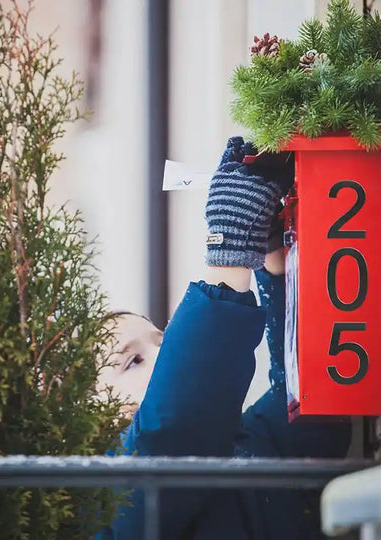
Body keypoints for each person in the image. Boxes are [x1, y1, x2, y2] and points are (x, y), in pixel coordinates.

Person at [95, 137, 352, 539]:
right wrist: (229, 253)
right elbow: (174, 427)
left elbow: (312, 408)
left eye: (161, 338)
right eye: (133, 361)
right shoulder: (107, 505)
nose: (162, 354)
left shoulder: (242, 440)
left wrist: (274, 263)